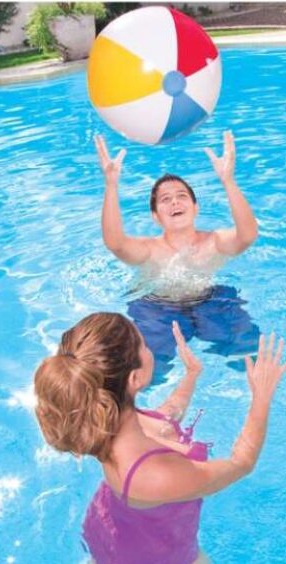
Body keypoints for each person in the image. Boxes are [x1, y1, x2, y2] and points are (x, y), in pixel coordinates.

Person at [33, 312, 286, 564]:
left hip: (109, 529)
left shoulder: (109, 420)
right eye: (143, 345)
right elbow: (242, 463)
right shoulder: (155, 475)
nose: (150, 349)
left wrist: (191, 377)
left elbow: (165, 419)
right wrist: (262, 397)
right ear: (135, 379)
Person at [94, 131, 261, 382]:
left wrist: (228, 181)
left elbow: (247, 235)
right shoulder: (149, 249)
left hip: (209, 302)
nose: (175, 202)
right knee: (146, 372)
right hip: (157, 309)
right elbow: (115, 243)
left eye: (182, 196)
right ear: (155, 216)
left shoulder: (214, 241)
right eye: (165, 199)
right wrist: (111, 184)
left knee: (249, 355)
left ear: (195, 208)